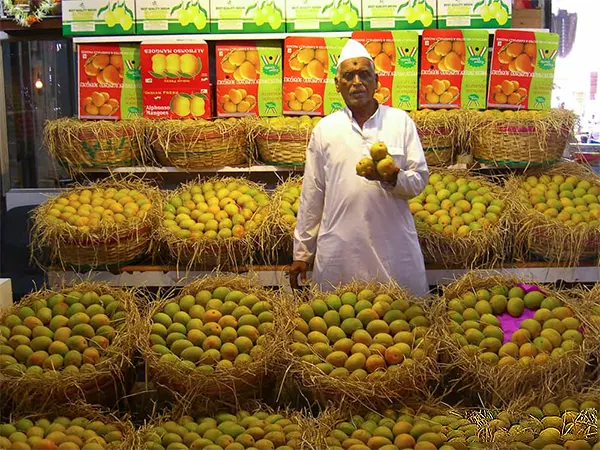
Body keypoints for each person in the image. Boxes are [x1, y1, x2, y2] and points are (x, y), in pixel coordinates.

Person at [288, 39, 430, 296]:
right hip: (340, 251)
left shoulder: (400, 122)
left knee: (401, 324)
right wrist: (302, 253)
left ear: (377, 81)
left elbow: (419, 180)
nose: (357, 82)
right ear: (337, 85)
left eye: (364, 74)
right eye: (348, 76)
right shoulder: (325, 129)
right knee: (337, 324)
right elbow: (313, 193)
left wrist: (391, 177)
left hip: (393, 250)